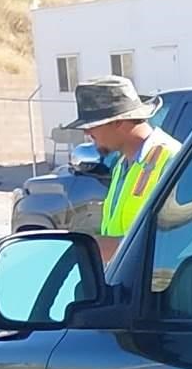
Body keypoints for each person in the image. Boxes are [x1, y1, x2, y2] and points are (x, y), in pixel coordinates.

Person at [77, 77, 182, 262]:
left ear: (119, 121)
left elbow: (182, 241)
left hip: (165, 286)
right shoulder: (121, 165)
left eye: (92, 125)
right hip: (131, 284)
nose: (87, 133)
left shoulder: (172, 159)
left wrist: (109, 247)